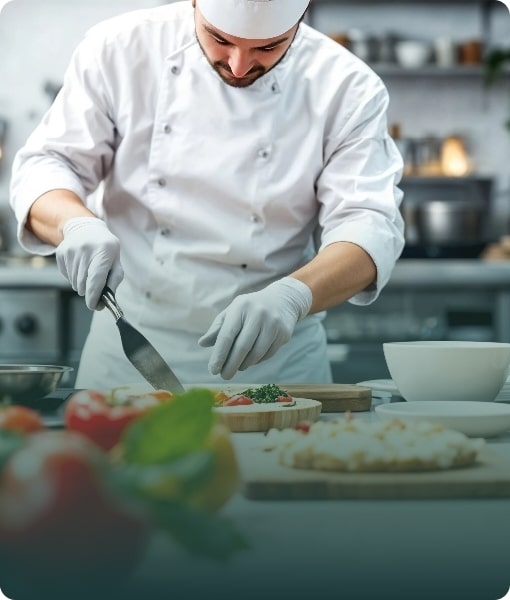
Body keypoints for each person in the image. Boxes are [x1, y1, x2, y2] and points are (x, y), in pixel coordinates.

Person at [9, 0, 405, 389]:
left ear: (301, 17)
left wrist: (294, 296)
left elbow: (369, 225)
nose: (238, 65)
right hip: (129, 360)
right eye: (219, 39)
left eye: (269, 46)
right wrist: (73, 224)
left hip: (278, 370)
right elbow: (47, 164)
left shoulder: (347, 86)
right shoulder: (120, 48)